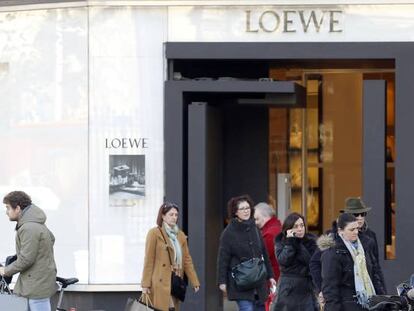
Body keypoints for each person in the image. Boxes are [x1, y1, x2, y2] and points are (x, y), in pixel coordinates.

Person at [0, 191, 57, 311]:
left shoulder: (28, 227)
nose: (6, 212)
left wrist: (5, 270)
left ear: (18, 208)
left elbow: (26, 259)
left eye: (8, 208)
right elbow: (51, 239)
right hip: (38, 279)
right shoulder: (35, 223)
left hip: (36, 283)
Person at [217, 195, 276, 311]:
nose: (246, 211)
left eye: (248, 208)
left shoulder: (255, 228)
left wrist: (271, 275)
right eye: (242, 209)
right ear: (235, 212)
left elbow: (264, 253)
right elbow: (223, 259)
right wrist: (222, 281)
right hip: (240, 282)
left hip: (258, 282)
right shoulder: (228, 233)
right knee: (247, 309)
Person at [141, 202, 200, 311]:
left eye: (176, 215)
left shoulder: (180, 235)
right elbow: (149, 260)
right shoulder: (154, 233)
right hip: (159, 281)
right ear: (163, 216)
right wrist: (145, 284)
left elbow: (187, 260)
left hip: (175, 281)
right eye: (171, 214)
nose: (174, 218)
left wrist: (194, 280)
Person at [321, 213, 385, 311]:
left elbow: (374, 274)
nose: (356, 232)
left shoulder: (364, 247)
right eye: (351, 229)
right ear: (340, 231)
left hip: (368, 304)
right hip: (345, 306)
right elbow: (330, 288)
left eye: (357, 229)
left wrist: (382, 299)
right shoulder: (332, 253)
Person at [272, 212, 318, 311]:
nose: (300, 229)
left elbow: (310, 261)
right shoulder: (282, 242)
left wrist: (298, 244)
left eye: (302, 225)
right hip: (288, 289)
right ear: (288, 229)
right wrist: (291, 242)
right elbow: (283, 260)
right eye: (296, 226)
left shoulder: (311, 242)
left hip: (306, 289)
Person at [253, 202, 282, 282]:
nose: (255, 222)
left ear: (265, 216)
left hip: (272, 279)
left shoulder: (269, 234)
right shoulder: (278, 228)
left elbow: (260, 258)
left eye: (257, 219)